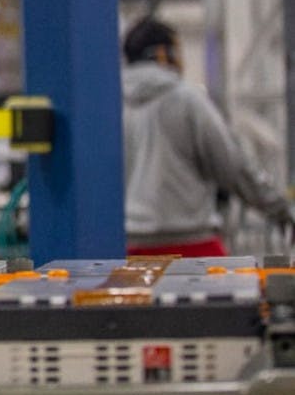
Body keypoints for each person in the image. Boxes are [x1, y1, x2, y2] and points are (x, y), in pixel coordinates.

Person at [121, 16, 293, 256]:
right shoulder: (187, 100)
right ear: (163, 54)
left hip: (126, 249)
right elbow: (232, 166)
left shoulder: (110, 107)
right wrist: (279, 208)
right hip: (191, 245)